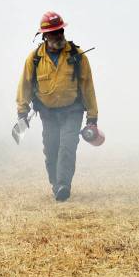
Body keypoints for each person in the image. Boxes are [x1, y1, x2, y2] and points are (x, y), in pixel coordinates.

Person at [16, 11, 98, 201]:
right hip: (48, 113)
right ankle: (55, 183)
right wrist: (22, 112)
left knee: (67, 147)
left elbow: (88, 87)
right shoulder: (34, 59)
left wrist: (92, 117)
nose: (58, 35)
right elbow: (25, 86)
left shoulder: (78, 56)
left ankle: (63, 185)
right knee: (51, 148)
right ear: (45, 36)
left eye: (60, 31)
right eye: (54, 33)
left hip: (73, 111)